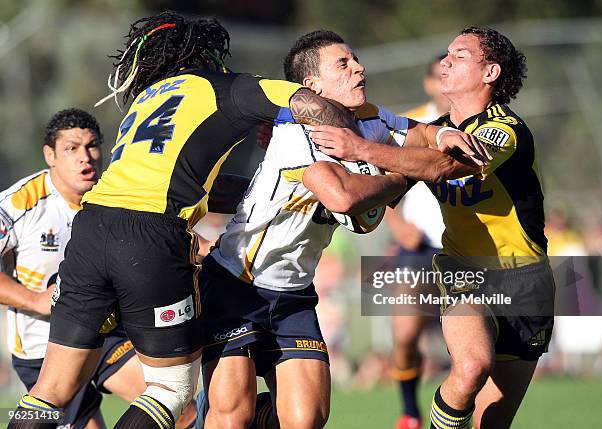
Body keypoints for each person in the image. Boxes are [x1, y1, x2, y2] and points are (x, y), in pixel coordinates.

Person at [7, 12, 359, 429]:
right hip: (150, 236)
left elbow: (191, 182)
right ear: (207, 54)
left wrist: (269, 189)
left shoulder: (147, 100)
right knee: (171, 390)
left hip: (90, 228)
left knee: (50, 392)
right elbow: (311, 103)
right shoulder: (225, 87)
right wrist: (360, 147)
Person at [200, 30, 487, 429]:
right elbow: (343, 198)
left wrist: (442, 133)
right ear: (311, 87)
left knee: (306, 421)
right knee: (233, 417)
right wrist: (405, 176)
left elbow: (415, 132)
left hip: (294, 292)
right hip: (237, 284)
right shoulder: (295, 133)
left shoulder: (366, 118)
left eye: (356, 59)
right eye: (343, 64)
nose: (359, 68)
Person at [310, 27, 554, 429]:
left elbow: (445, 166)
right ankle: (409, 411)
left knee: (491, 423)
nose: (445, 60)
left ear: (490, 72)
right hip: (464, 270)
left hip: (527, 282)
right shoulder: (432, 131)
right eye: (447, 54)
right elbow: (389, 181)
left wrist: (361, 149)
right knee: (472, 366)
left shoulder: (505, 129)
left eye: (459, 55)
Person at [1, 109, 197, 429]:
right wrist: (35, 299)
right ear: (49, 155)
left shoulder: (115, 195)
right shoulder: (21, 204)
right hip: (44, 348)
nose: (85, 158)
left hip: (107, 334)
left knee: (180, 410)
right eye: (72, 148)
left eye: (92, 146)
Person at [386, 54, 450, 429]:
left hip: (466, 249)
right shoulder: (410, 125)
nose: (447, 81)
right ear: (428, 83)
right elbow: (382, 181)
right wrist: (396, 224)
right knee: (406, 334)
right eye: (440, 75)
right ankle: (409, 412)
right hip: (418, 247)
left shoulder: (483, 125)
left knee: (470, 347)